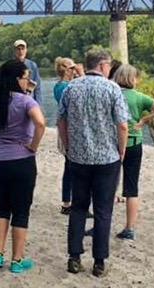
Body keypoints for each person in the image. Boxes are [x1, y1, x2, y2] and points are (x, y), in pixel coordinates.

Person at [58, 49, 129, 278]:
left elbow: (60, 120)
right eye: (108, 65)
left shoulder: (71, 88)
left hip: (78, 157)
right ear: (103, 65)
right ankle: (99, 261)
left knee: (78, 207)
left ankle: (74, 257)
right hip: (106, 158)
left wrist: (68, 145)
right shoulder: (112, 88)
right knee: (102, 210)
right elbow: (122, 124)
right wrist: (121, 149)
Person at [0, 60, 45, 274]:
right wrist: (33, 145)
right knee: (21, 210)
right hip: (21, 160)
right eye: (26, 77)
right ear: (18, 79)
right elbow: (41, 123)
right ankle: (17, 259)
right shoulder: (26, 102)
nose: (29, 81)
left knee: (2, 206)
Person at [112, 64, 154, 240]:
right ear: (131, 79)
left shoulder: (112, 94)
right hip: (134, 142)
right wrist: (144, 119)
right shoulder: (138, 97)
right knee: (131, 186)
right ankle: (129, 227)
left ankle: (101, 223)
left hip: (113, 143)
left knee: (106, 184)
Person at [53, 56, 83, 215]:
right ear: (66, 69)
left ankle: (69, 201)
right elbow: (85, 93)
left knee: (70, 167)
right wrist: (83, 75)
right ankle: (68, 202)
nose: (75, 69)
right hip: (70, 130)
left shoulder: (62, 85)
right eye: (72, 67)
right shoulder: (65, 87)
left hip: (68, 128)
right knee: (72, 167)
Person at [12, 39, 42, 103]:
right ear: (14, 51)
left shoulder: (32, 65)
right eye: (18, 49)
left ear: (26, 50)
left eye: (23, 49)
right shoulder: (10, 66)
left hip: (29, 102)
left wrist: (38, 105)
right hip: (15, 103)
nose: (21, 51)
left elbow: (37, 87)